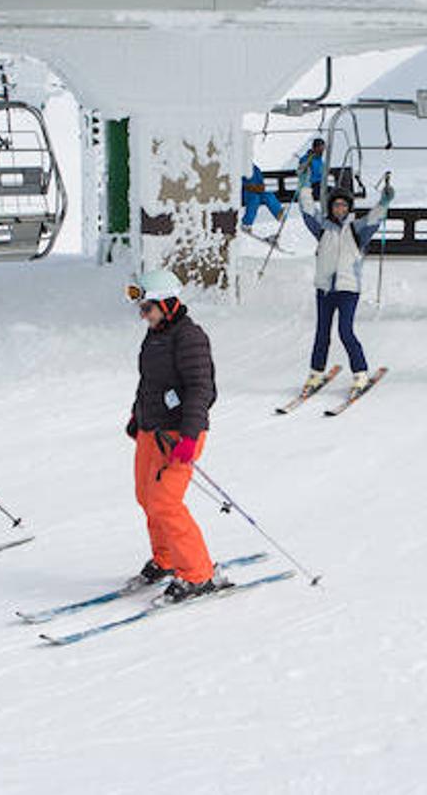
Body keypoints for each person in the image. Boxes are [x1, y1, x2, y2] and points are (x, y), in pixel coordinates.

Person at [123, 268, 228, 603]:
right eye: (141, 310)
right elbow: (149, 383)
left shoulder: (190, 337)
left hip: (180, 434)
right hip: (150, 429)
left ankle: (198, 575)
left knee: (166, 501)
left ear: (167, 304)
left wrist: (189, 436)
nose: (143, 316)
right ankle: (167, 559)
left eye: (147, 309)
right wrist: (135, 416)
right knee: (146, 497)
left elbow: (202, 390)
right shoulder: (156, 334)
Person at [297, 178, 393, 393]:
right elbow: (307, 212)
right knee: (322, 333)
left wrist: (384, 202)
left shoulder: (356, 229)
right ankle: (315, 374)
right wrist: (304, 185)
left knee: (345, 331)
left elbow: (374, 219)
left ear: (349, 208)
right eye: (336, 205)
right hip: (324, 289)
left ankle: (360, 373)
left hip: (348, 289)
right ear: (331, 207)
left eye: (344, 205)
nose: (340, 209)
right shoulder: (323, 227)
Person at [239, 163, 284, 229]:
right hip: (246, 192)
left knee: (268, 195)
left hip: (257, 191)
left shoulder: (255, 168)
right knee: (254, 199)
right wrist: (249, 187)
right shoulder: (241, 168)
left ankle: (278, 212)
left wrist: (260, 187)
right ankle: (247, 223)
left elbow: (261, 182)